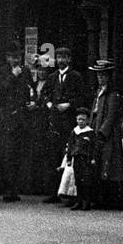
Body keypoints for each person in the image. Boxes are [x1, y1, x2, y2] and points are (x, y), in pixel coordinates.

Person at [47, 47, 86, 199]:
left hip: (69, 121)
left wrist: (69, 105)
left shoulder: (76, 77)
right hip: (55, 121)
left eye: (64, 57)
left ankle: (69, 192)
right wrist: (49, 103)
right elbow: (46, 94)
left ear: (69, 59)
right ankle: (54, 192)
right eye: (58, 57)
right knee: (53, 156)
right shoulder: (52, 77)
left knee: (69, 156)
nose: (61, 61)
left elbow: (82, 96)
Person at [0, 46, 33, 200]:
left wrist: (32, 101)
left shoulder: (26, 71)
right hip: (8, 118)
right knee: (8, 153)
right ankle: (7, 190)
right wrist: (12, 75)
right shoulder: (1, 72)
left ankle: (16, 189)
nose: (16, 60)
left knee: (19, 154)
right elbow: (0, 89)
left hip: (22, 117)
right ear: (7, 58)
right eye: (13, 57)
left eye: (18, 57)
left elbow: (30, 90)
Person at [88, 59, 123, 209]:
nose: (100, 78)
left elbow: (111, 116)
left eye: (103, 75)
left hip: (108, 135)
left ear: (109, 76)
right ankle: (99, 198)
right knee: (98, 164)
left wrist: (102, 133)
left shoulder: (112, 94)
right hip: (96, 128)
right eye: (98, 75)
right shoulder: (99, 91)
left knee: (109, 166)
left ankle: (111, 200)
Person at [67, 107, 98, 211]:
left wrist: (93, 158)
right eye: (79, 119)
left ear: (88, 120)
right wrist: (69, 158)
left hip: (86, 159)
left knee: (86, 181)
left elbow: (94, 147)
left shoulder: (90, 132)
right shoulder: (74, 132)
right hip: (77, 158)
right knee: (78, 180)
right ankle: (78, 201)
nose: (81, 121)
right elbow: (70, 146)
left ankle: (86, 202)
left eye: (83, 119)